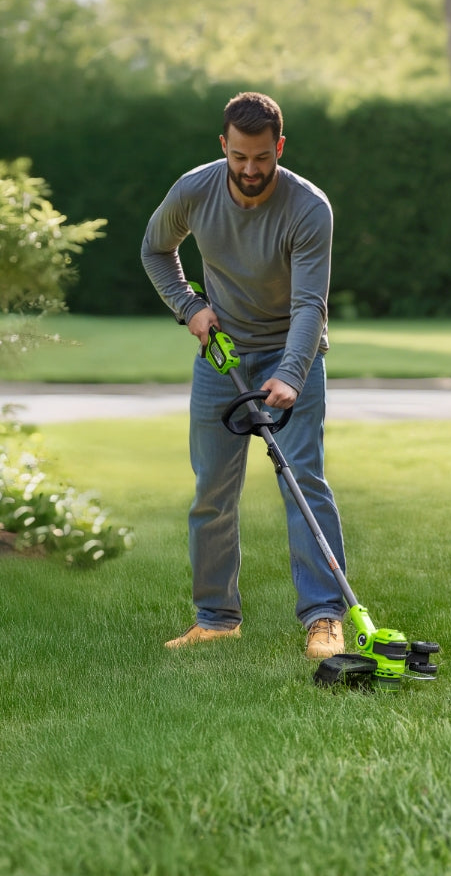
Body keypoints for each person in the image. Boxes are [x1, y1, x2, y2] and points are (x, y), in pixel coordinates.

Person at [141, 91, 347, 657]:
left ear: (279, 147)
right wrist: (188, 306)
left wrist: (291, 374)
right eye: (239, 157)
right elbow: (155, 250)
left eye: (262, 157)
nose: (250, 170)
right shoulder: (194, 190)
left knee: (304, 483)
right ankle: (216, 618)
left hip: (291, 352)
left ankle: (325, 617)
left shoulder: (308, 207)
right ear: (223, 147)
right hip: (223, 355)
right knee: (212, 490)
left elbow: (310, 304)